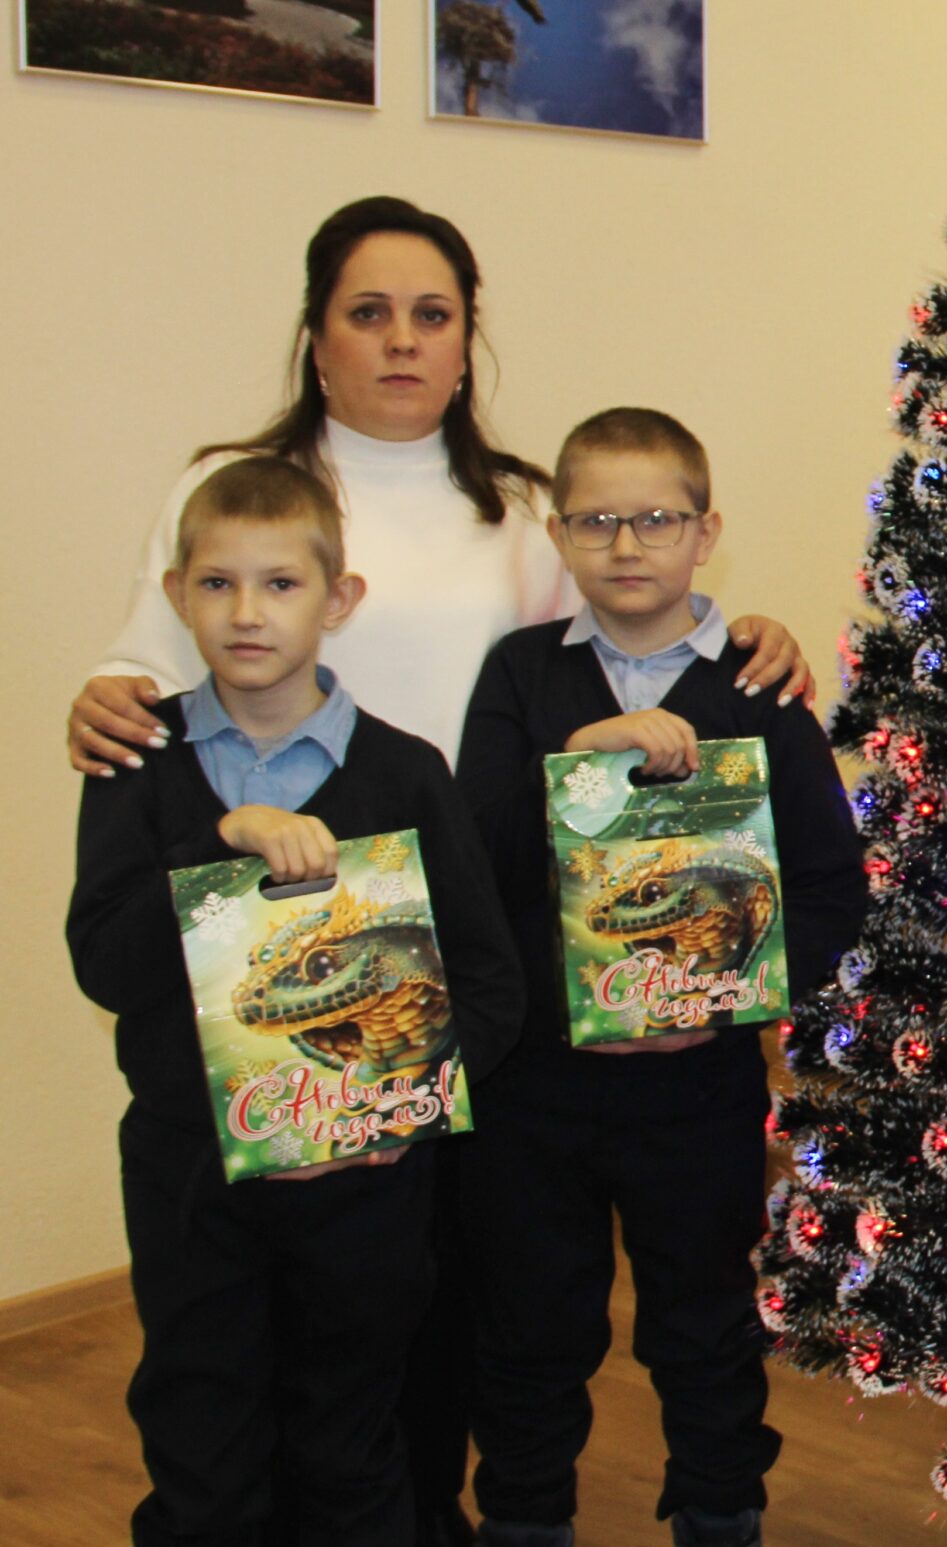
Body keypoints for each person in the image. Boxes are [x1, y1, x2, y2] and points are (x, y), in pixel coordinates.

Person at [63, 195, 811, 1547]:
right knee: (224, 1357)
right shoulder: (232, 489)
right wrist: (105, 701)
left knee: (430, 1308)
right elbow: (142, 677)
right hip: (261, 963)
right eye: (369, 313)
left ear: (469, 341)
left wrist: (742, 635)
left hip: (468, 976)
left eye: (432, 314)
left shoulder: (521, 511)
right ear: (317, 336)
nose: (402, 340)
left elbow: (624, 654)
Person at [66, 458, 524, 1547]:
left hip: (367, 1186)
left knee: (352, 1437)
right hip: (191, 1175)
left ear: (338, 598)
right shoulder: (137, 764)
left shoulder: (406, 774)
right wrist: (218, 848)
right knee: (201, 1434)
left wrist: (394, 1114)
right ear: (177, 596)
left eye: (280, 583)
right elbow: (105, 962)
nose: (247, 612)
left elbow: (486, 982)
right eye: (217, 583)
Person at [453, 409, 866, 1547]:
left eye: (656, 519)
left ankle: (721, 1507)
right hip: (537, 1082)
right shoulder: (522, 673)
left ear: (705, 532)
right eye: (595, 521)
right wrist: (577, 762)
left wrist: (737, 995)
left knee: (704, 1316)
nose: (626, 544)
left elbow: (829, 884)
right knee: (531, 1320)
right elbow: (475, 855)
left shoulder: (757, 687)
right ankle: (525, 1513)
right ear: (558, 535)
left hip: (698, 1086)